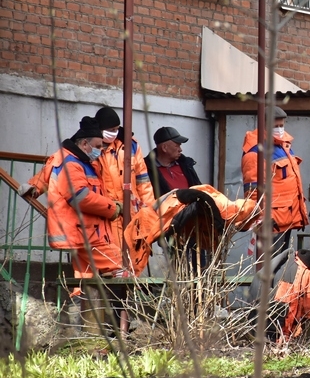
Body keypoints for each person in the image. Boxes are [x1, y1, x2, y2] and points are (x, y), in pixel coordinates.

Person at [46, 116, 126, 279]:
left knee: (84, 282)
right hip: (83, 233)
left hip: (84, 233)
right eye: (97, 146)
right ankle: (128, 303)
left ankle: (80, 303)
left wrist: (33, 187)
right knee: (122, 266)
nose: (101, 150)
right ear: (84, 144)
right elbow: (80, 197)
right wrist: (112, 208)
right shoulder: (72, 163)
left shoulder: (79, 162)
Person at [241, 106, 309, 275]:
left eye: (281, 125)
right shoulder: (255, 152)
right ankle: (267, 301)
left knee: (281, 269)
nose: (280, 129)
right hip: (271, 222)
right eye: (276, 125)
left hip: (286, 219)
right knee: (268, 270)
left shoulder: (283, 145)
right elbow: (253, 191)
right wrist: (259, 218)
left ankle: (278, 300)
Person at [94, 107, 155, 239]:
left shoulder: (130, 145)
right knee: (112, 255)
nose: (114, 133)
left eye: (116, 129)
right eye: (111, 130)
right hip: (107, 213)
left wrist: (149, 213)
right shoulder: (91, 147)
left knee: (135, 254)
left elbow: (143, 182)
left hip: (132, 212)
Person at [145, 126, 202, 198]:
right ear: (164, 148)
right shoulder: (146, 169)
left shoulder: (186, 164)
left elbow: (200, 189)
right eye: (177, 146)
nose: (180, 150)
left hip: (192, 208)